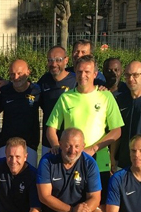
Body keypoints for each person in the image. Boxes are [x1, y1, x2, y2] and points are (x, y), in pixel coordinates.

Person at [45, 54, 123, 203]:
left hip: (98, 160)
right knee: (74, 204)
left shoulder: (105, 96)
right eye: (80, 71)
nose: (83, 75)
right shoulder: (66, 97)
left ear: (95, 74)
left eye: (87, 72)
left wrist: (94, 148)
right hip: (71, 159)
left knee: (99, 206)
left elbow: (116, 130)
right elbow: (51, 128)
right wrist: (56, 145)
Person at [0, 59, 41, 166]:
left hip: (29, 145)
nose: (16, 77)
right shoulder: (4, 91)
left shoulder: (37, 91)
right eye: (12, 74)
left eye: (19, 73)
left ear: (28, 72)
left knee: (29, 179)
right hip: (6, 145)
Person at [38, 46, 72, 149]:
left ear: (66, 60)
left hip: (71, 145)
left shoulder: (75, 81)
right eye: (50, 60)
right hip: (48, 143)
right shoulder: (44, 80)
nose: (54, 64)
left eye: (58, 60)